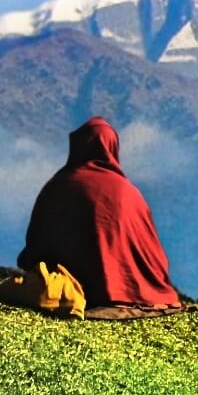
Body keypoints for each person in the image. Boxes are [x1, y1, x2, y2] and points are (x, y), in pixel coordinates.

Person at [18, 116, 181, 313]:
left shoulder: (56, 187)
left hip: (70, 285)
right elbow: (153, 253)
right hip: (133, 290)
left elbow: (36, 242)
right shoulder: (130, 193)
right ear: (112, 147)